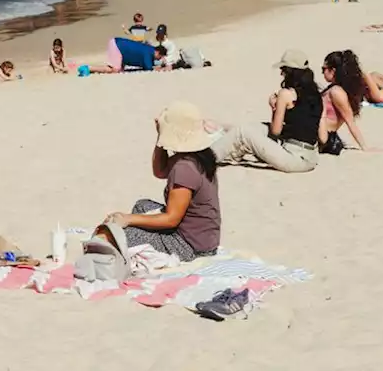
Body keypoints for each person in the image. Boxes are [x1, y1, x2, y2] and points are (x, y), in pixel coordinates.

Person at [101, 101, 221, 262]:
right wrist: (161, 140)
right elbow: (160, 171)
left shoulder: (184, 168)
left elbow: (172, 219)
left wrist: (128, 218)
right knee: (142, 205)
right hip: (202, 236)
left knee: (117, 235)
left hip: (190, 246)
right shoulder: (198, 156)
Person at [208, 50, 322, 173]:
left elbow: (275, 130)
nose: (281, 73)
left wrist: (274, 108)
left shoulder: (286, 94)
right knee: (255, 127)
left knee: (242, 132)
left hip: (294, 158)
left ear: (290, 72)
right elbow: (320, 134)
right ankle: (232, 152)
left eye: (283, 69)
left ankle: (205, 159)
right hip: (311, 157)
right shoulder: (317, 94)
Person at [318, 51, 372, 152]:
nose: (322, 72)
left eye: (323, 69)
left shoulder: (336, 92)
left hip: (324, 136)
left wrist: (364, 147)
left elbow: (350, 121)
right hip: (323, 134)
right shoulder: (333, 89)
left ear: (333, 70)